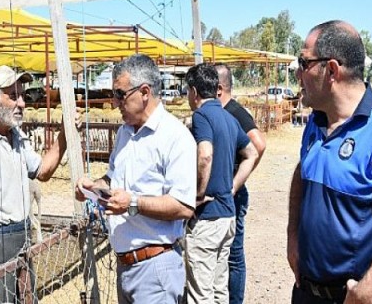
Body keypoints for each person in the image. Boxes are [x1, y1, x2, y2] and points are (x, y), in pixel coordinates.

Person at [287, 20, 372, 303]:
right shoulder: (316, 121)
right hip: (307, 293)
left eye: (304, 63)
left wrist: (366, 292)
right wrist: (293, 235)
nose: (298, 74)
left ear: (332, 70)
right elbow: (303, 170)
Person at [75, 53, 196, 304]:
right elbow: (112, 179)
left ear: (144, 92)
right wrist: (93, 188)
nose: (114, 102)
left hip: (155, 269)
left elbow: (183, 206)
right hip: (126, 267)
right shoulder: (124, 133)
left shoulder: (175, 137)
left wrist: (132, 203)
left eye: (120, 94)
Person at [0, 65, 70, 304]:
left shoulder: (17, 137)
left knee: (28, 300)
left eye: (22, 95)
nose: (22, 103)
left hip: (23, 235)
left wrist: (64, 134)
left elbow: (43, 171)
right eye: (13, 95)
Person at [184, 63, 258, 304]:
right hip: (227, 216)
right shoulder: (228, 117)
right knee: (219, 290)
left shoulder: (201, 116)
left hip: (207, 218)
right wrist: (232, 187)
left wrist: (197, 195)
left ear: (194, 92)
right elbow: (251, 153)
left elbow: (205, 155)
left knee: (200, 294)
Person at [215, 63, 266, 304]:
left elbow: (259, 144)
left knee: (233, 256)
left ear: (218, 88)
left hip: (233, 193)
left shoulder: (234, 112)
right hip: (226, 192)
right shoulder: (220, 112)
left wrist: (236, 181)